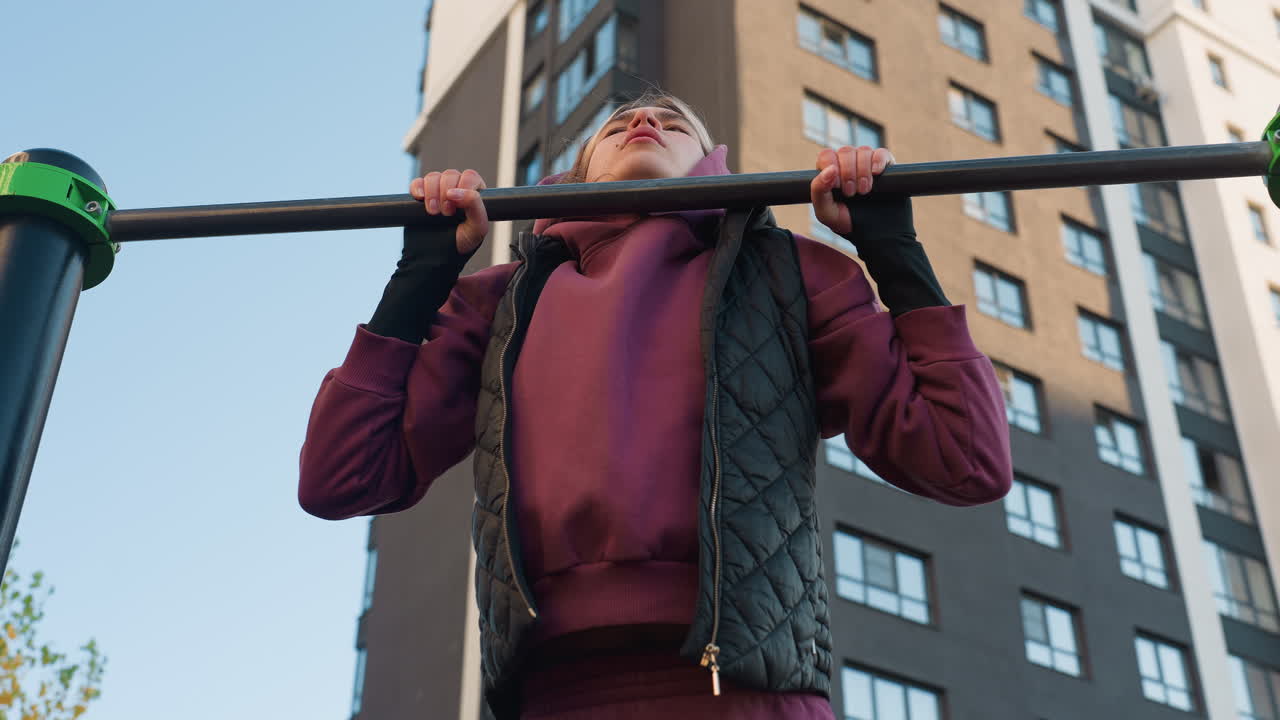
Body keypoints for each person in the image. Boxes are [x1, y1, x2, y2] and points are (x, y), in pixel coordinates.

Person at [298, 90, 1013, 720]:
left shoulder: (791, 269)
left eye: (675, 121)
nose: (644, 119)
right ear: (576, 175)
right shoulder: (500, 298)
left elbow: (966, 460)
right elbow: (339, 479)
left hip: (743, 689)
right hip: (554, 688)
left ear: (715, 165)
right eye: (618, 124)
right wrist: (419, 276)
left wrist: (895, 252)